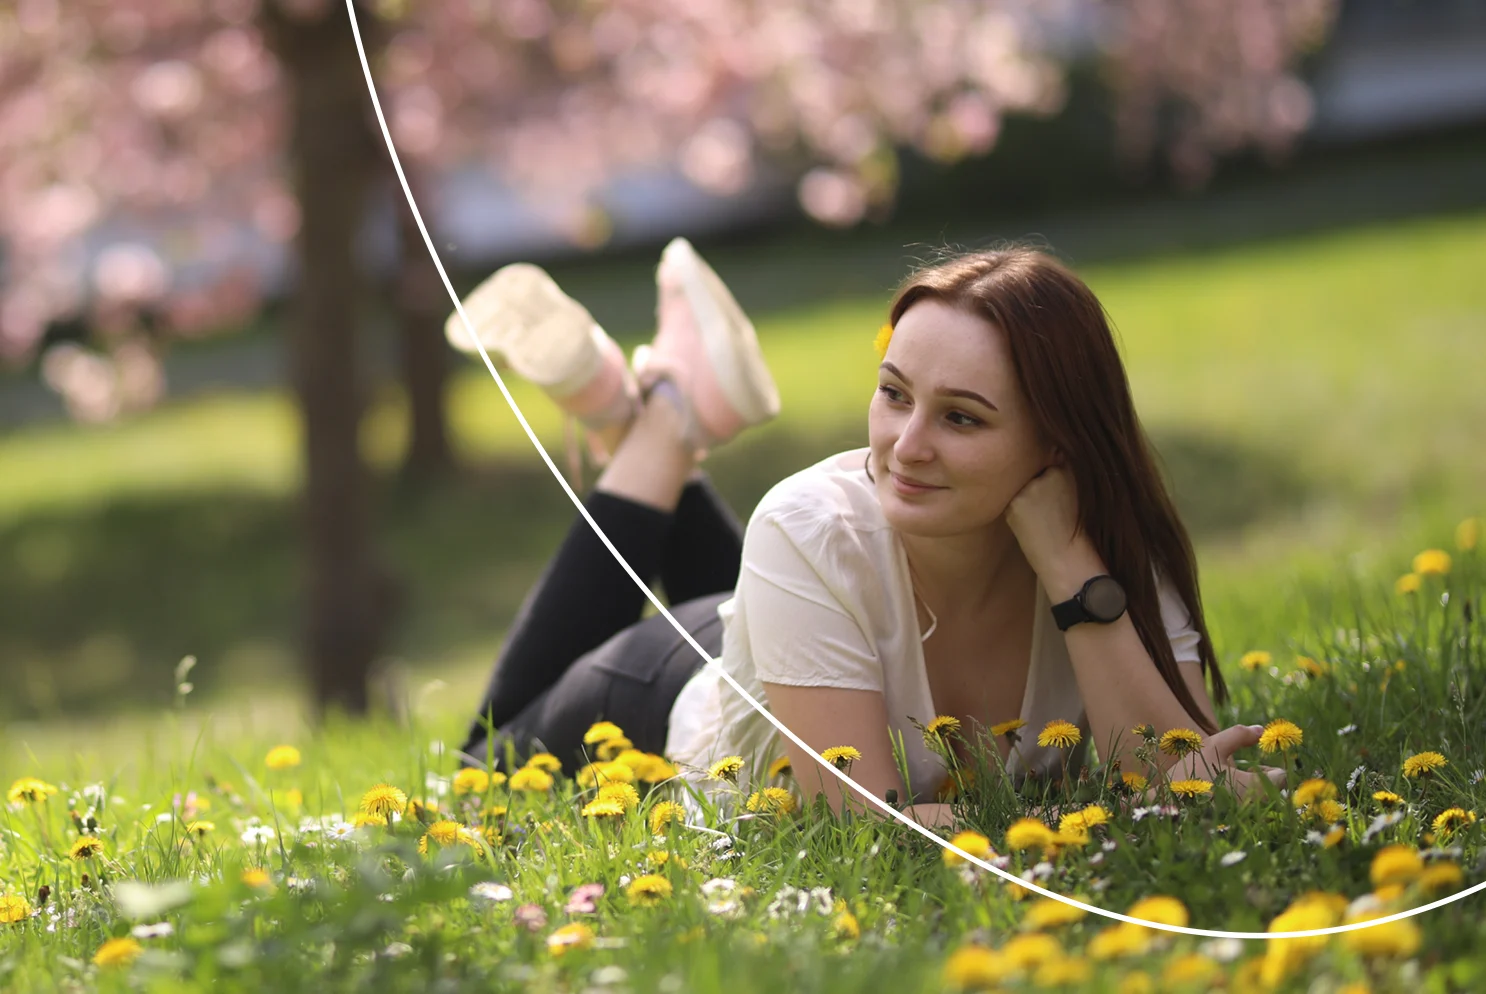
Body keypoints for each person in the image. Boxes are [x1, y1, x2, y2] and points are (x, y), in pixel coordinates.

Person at [451, 239, 1285, 829]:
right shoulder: (811, 523)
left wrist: (1070, 567)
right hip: (662, 690)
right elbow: (868, 823)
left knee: (818, 559)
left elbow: (1177, 771)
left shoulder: (1102, 541)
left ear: (1058, 449)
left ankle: (624, 406)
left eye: (961, 417)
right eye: (894, 394)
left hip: (804, 624)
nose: (906, 444)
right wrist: (1123, 812)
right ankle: (662, 422)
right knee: (473, 775)